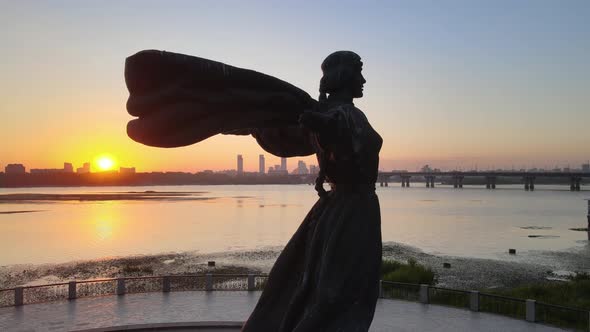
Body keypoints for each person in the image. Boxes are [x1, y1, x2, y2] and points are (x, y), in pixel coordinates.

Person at [242, 51, 383, 332]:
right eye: (359, 72)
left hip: (339, 210)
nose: (363, 79)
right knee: (336, 291)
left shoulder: (337, 113)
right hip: (352, 212)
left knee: (319, 285)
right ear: (344, 76)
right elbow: (337, 134)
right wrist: (324, 127)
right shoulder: (339, 115)